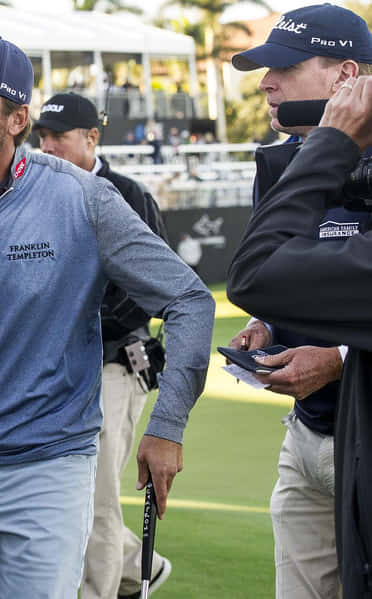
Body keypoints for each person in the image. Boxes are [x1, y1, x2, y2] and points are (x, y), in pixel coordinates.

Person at [0, 35, 215, 599]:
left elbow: (189, 300)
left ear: (17, 118)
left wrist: (167, 425)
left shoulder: (82, 198)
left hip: (49, 469)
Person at [227, 6, 372, 598]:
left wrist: (337, 355)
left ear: (344, 78)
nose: (266, 82)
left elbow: (258, 272)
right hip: (307, 435)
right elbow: (282, 279)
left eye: (284, 67)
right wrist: (267, 322)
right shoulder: (282, 158)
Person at [33, 91, 171, 599]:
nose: (46, 147)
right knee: (57, 493)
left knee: (97, 501)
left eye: (58, 137)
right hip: (54, 367)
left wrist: (77, 326)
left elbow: (149, 292)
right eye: (41, 137)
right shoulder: (31, 193)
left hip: (114, 364)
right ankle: (138, 566)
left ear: (92, 137)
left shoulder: (129, 195)